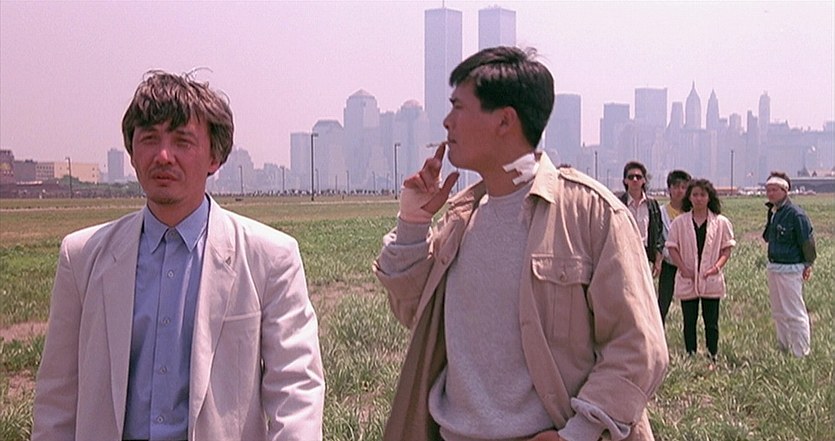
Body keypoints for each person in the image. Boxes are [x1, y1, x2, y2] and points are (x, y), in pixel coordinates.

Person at [373, 46, 668, 441]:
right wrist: (413, 221)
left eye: (458, 107)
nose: (446, 122)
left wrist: (577, 433)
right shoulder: (461, 219)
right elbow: (414, 313)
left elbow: (639, 346)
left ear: (504, 120)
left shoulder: (591, 214)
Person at [32, 71, 325, 441]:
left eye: (182, 141)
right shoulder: (82, 257)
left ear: (215, 157)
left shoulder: (269, 258)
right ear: (132, 153)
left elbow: (296, 390)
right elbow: (57, 396)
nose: (163, 156)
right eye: (149, 139)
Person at [665, 179, 735, 360]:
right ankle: (691, 356)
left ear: (709, 197)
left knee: (711, 322)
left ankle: (712, 356)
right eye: (695, 194)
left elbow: (727, 248)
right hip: (687, 277)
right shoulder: (679, 222)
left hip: (710, 278)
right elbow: (672, 247)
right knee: (689, 321)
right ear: (689, 197)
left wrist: (716, 267)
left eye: (703, 195)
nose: (698, 198)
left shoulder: (721, 222)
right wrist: (683, 268)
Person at [762, 171, 816, 357]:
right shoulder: (774, 212)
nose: (770, 193)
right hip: (775, 267)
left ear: (785, 190)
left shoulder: (796, 215)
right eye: (768, 190)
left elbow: (807, 242)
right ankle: (784, 347)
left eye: (774, 190)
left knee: (794, 312)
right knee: (778, 312)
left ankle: (801, 351)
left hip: (790, 268)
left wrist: (808, 263)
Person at [657, 170, 692, 325]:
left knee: (689, 303)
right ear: (669, 189)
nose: (680, 191)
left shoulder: (692, 213)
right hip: (668, 263)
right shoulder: (660, 212)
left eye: (684, 187)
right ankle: (658, 331)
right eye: (676, 186)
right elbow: (658, 238)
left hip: (688, 264)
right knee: (663, 301)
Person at [619, 161, 664, 278]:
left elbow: (659, 233)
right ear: (625, 181)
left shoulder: (652, 205)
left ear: (644, 180)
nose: (635, 180)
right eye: (631, 177)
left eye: (638, 177)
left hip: (646, 255)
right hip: (624, 254)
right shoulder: (618, 204)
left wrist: (658, 260)